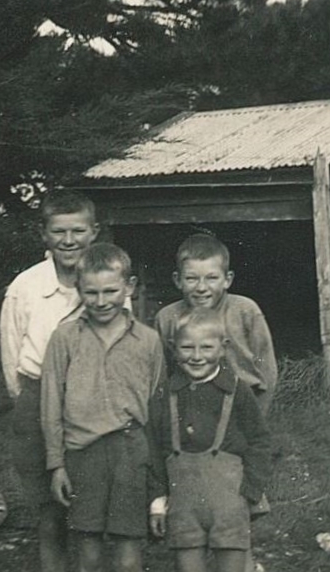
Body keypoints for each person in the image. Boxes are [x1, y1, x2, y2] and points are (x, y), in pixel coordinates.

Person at [40, 243, 165, 572]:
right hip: (83, 455)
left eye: (111, 291)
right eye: (91, 293)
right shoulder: (64, 338)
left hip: (132, 453)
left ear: (130, 287)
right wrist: (57, 465)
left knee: (128, 550)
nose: (101, 301)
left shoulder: (149, 341)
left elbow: (156, 406)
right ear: (78, 289)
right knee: (88, 548)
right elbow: (51, 404)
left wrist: (156, 476)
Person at [0, 190, 99, 572]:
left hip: (91, 403)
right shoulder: (25, 288)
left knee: (90, 507)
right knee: (49, 511)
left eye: (78, 231)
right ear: (44, 234)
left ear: (94, 232)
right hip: (38, 399)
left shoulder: (107, 280)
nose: (69, 241)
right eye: (59, 232)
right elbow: (12, 356)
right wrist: (32, 404)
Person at [148, 308, 271, 572]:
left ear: (223, 347)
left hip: (229, 502)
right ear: (173, 348)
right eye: (186, 347)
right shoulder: (166, 393)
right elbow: (157, 450)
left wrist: (250, 491)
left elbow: (260, 441)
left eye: (206, 347)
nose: (196, 356)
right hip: (183, 504)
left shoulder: (237, 390)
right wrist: (158, 502)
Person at [154, 233, 278, 417]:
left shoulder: (245, 310)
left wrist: (258, 416)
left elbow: (267, 368)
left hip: (241, 406)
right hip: (189, 409)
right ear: (177, 280)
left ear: (227, 279)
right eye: (191, 278)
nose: (202, 288)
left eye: (212, 278)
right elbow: (161, 374)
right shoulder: (167, 318)